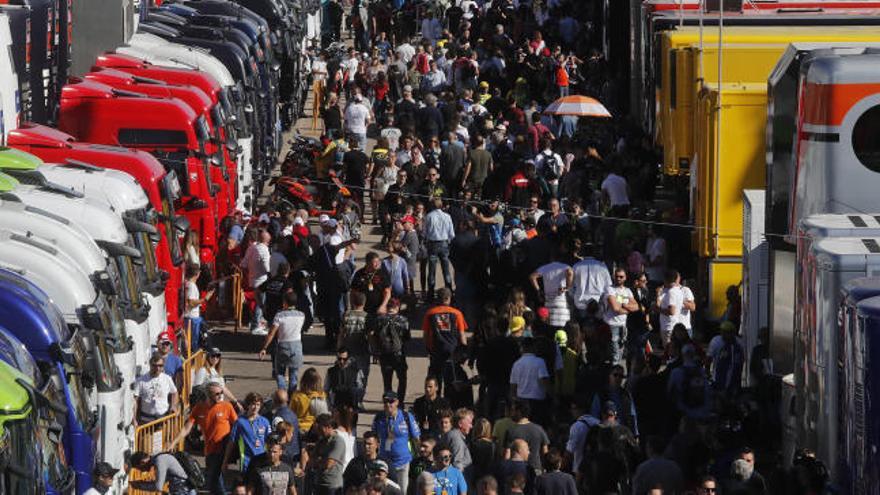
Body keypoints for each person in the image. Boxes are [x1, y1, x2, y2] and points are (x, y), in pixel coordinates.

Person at [170, 381, 238, 494]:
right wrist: (174, 443)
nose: (220, 395)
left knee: (215, 479)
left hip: (223, 448)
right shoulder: (199, 408)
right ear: (208, 394)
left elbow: (237, 426)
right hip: (209, 450)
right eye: (217, 394)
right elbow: (186, 428)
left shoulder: (227, 406)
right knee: (213, 481)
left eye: (221, 393)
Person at [373, 391, 421, 495]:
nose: (388, 404)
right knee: (382, 491)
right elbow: (374, 438)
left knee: (401, 492)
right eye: (385, 401)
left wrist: (418, 456)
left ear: (397, 402)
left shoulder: (407, 417)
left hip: (403, 462)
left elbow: (416, 438)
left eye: (391, 401)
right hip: (385, 463)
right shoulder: (378, 418)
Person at [259, 292, 306, 396]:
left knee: (279, 373)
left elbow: (271, 333)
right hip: (297, 346)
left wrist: (264, 348)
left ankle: (282, 396)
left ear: (284, 303)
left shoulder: (279, 316)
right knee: (293, 375)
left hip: (283, 346)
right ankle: (292, 397)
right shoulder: (301, 315)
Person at [422, 288, 468, 391]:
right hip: (452, 351)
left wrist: (428, 349)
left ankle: (436, 401)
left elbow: (425, 335)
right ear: (449, 299)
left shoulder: (430, 313)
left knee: (436, 380)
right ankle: (449, 403)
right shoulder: (457, 313)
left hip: (436, 351)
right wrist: (464, 352)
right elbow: (462, 334)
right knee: (451, 381)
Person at [371, 298, 410, 400]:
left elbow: (374, 336)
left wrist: (375, 351)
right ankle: (400, 401)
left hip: (384, 354)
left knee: (387, 380)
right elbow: (407, 338)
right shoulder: (403, 320)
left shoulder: (379, 320)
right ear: (397, 307)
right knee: (402, 379)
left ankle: (388, 400)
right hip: (399, 354)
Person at [225, 392, 272, 473]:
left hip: (262, 460)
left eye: (258, 405)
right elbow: (231, 443)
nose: (255, 407)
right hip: (246, 462)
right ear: (248, 405)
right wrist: (225, 461)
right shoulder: (240, 422)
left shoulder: (265, 421)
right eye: (253, 404)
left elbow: (270, 441)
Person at [339, 291, 371, 407]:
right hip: (362, 350)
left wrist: (339, 348)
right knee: (362, 377)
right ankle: (359, 400)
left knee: (347, 375)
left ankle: (348, 399)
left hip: (348, 350)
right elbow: (370, 336)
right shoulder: (366, 317)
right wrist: (374, 350)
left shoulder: (346, 315)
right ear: (364, 303)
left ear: (353, 302)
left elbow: (341, 333)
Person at [508, 339, 550, 425]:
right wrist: (550, 394)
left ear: (522, 348)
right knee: (538, 425)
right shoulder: (540, 362)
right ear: (533, 347)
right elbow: (544, 381)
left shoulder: (517, 364)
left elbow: (513, 385)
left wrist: (513, 401)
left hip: (521, 401)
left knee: (523, 425)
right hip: (537, 401)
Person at [502, 400, 549, 473]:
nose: (511, 413)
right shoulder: (539, 429)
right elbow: (545, 452)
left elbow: (507, 456)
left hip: (517, 471)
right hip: (536, 470)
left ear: (519, 412)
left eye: (513, 410)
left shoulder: (511, 431)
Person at [603, 268, 638, 366]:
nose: (618, 278)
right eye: (616, 276)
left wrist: (623, 305)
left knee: (620, 351)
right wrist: (628, 309)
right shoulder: (609, 289)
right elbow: (615, 308)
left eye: (621, 277)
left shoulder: (627, 291)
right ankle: (613, 376)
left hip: (623, 325)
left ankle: (615, 373)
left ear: (625, 278)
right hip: (611, 325)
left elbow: (636, 307)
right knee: (615, 354)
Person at [134, 351, 179, 426]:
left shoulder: (167, 378)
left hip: (163, 419)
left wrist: (173, 406)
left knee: (165, 438)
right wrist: (134, 418)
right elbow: (135, 400)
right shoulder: (141, 380)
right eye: (154, 365)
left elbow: (174, 392)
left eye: (160, 366)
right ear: (150, 365)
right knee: (147, 438)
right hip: (146, 420)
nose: (157, 368)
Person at [423, 198, 456, 299]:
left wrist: (426, 239)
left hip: (433, 243)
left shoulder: (428, 216)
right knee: (446, 270)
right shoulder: (447, 216)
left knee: (432, 271)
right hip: (444, 243)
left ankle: (431, 294)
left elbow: (425, 232)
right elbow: (451, 233)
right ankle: (449, 292)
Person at [242, 229, 272, 334]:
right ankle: (256, 325)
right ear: (267, 241)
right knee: (260, 304)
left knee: (258, 303)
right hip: (261, 280)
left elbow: (243, 264)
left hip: (253, 279)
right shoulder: (264, 250)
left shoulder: (252, 248)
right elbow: (267, 268)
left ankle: (256, 322)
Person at [529, 259, 573, 329]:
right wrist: (567, 287)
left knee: (551, 328)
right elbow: (570, 272)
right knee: (564, 329)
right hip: (562, 304)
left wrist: (539, 290)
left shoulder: (545, 267)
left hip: (549, 303)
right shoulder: (564, 266)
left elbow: (532, 277)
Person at [312, 413, 347, 495]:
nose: (318, 431)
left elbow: (329, 464)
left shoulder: (338, 441)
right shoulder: (321, 441)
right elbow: (312, 461)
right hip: (319, 483)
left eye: (320, 428)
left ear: (328, 427)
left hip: (332, 486)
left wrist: (318, 461)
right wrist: (320, 461)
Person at [129, 452, 194, 495]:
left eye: (140, 468)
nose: (142, 471)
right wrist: (139, 484)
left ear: (142, 462)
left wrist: (138, 485)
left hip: (183, 491)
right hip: (184, 490)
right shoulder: (159, 457)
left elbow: (158, 487)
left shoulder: (160, 461)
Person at [184, 263, 214, 353]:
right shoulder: (191, 286)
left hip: (191, 317)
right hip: (192, 318)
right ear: (197, 274)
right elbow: (191, 302)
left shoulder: (187, 283)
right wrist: (205, 298)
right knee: (194, 342)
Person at [290, 368, 330, 433]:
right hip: (315, 429)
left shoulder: (296, 396)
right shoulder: (322, 395)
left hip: (299, 427)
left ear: (303, 381)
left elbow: (291, 414)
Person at [441, 408, 473, 474]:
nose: (471, 426)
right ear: (460, 423)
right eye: (469, 423)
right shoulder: (456, 438)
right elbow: (457, 463)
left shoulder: (454, 435)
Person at [657, 270, 684, 346]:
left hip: (669, 327)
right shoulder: (678, 290)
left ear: (665, 279)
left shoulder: (671, 292)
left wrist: (657, 309)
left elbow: (672, 311)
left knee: (669, 351)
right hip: (672, 325)